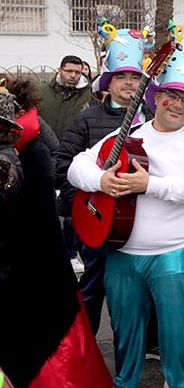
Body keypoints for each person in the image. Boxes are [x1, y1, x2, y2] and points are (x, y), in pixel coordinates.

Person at [69, 29, 184, 388]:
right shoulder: (130, 135)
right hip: (123, 251)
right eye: (171, 96)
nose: (177, 105)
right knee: (125, 327)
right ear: (156, 98)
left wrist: (147, 184)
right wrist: (100, 182)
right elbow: (76, 166)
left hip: (175, 250)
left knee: (178, 328)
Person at [1, 76, 112, 388]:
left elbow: (24, 215)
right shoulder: (23, 151)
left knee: (36, 342)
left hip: (30, 266)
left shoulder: (23, 156)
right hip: (29, 263)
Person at [55, 27, 150, 333]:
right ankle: (85, 352)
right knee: (93, 289)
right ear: (109, 83)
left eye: (135, 78)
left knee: (140, 295)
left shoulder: (152, 118)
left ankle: (145, 349)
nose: (129, 84)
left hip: (141, 224)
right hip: (98, 221)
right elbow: (63, 166)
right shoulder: (87, 119)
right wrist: (86, 209)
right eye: (122, 78)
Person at [40, 55, 91, 139]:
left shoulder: (87, 95)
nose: (73, 75)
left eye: (77, 72)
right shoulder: (43, 92)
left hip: (73, 146)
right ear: (60, 70)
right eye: (69, 71)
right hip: (44, 145)